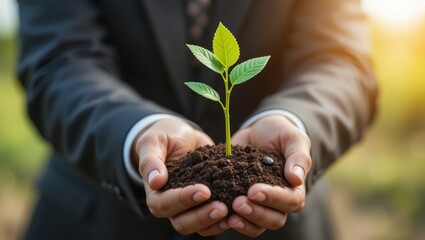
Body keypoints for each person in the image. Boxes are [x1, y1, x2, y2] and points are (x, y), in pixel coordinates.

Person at [17, 0, 377, 239]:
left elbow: (340, 61)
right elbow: (60, 61)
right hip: (98, 221)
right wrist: (138, 130)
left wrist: (291, 121)